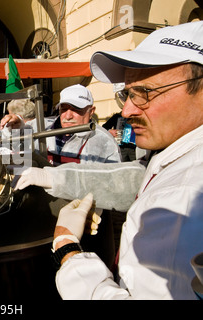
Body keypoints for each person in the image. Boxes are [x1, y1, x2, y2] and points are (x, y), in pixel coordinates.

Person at [51, 21, 203, 299]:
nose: (129, 110)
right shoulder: (172, 150)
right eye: (127, 94)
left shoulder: (186, 198)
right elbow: (133, 178)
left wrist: (67, 250)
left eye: (145, 92)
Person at [1, 84, 122, 166]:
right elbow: (9, 141)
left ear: (91, 111)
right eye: (63, 109)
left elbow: (112, 183)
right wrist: (15, 124)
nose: (68, 116)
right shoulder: (42, 127)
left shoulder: (104, 142)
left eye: (76, 109)